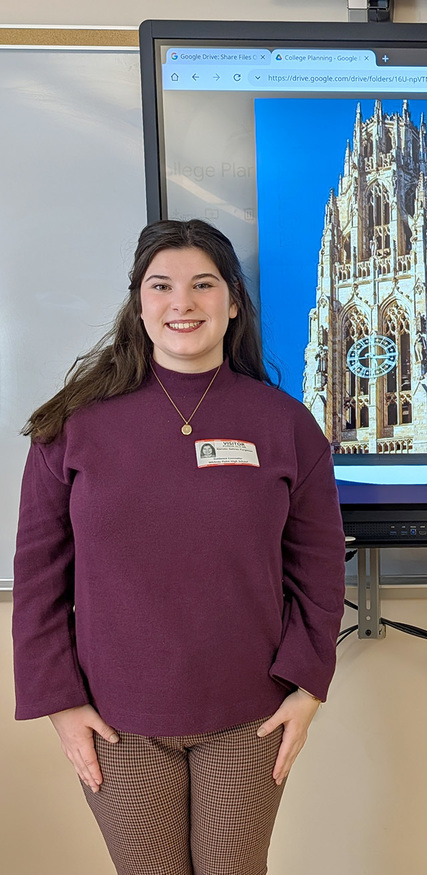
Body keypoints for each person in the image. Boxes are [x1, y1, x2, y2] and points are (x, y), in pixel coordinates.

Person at [12, 219, 346, 875]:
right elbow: (38, 577)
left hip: (249, 716)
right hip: (117, 721)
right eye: (161, 286)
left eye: (203, 284)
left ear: (233, 302)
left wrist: (308, 686)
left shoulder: (286, 425)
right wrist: (62, 703)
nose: (182, 303)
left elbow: (319, 567)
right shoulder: (71, 426)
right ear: (139, 303)